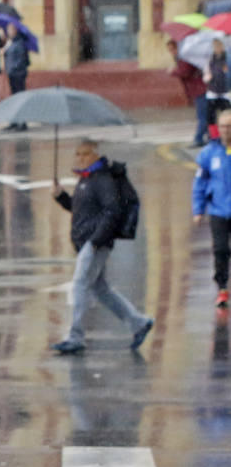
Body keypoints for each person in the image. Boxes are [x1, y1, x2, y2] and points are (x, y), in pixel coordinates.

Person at [49, 139, 153, 355]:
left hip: (95, 243)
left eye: (85, 154)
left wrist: (96, 241)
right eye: (77, 154)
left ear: (96, 154)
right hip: (87, 241)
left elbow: (112, 211)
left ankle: (75, 337)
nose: (80, 158)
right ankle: (139, 323)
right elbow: (79, 210)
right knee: (100, 289)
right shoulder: (87, 179)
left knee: (79, 285)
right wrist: (61, 197)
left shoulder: (102, 179)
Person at [193, 110, 231, 308]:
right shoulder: (209, 154)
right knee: (221, 249)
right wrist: (198, 210)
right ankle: (223, 287)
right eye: (223, 126)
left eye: (230, 126)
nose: (227, 130)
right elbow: (199, 184)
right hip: (218, 211)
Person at [169, 39, 209, 148]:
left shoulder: (186, 58)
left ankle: (199, 138)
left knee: (203, 116)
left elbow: (185, 71)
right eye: (170, 50)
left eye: (173, 49)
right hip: (199, 89)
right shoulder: (183, 57)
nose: (171, 52)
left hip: (201, 89)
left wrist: (173, 71)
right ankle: (209, 138)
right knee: (206, 116)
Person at [2, 23, 29, 130]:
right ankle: (14, 121)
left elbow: (22, 59)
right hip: (11, 73)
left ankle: (22, 122)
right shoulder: (10, 42)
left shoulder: (20, 42)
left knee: (19, 98)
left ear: (15, 30)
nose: (9, 31)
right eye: (8, 29)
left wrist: (13, 68)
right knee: (14, 98)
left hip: (18, 74)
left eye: (10, 29)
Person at [206, 38, 230, 127]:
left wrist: (226, 72)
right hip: (213, 91)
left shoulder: (227, 58)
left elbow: (228, 73)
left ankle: (228, 135)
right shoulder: (211, 59)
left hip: (225, 91)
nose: (217, 48)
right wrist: (207, 77)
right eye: (215, 46)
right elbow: (206, 73)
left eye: (219, 45)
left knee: (227, 116)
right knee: (210, 117)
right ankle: (214, 136)